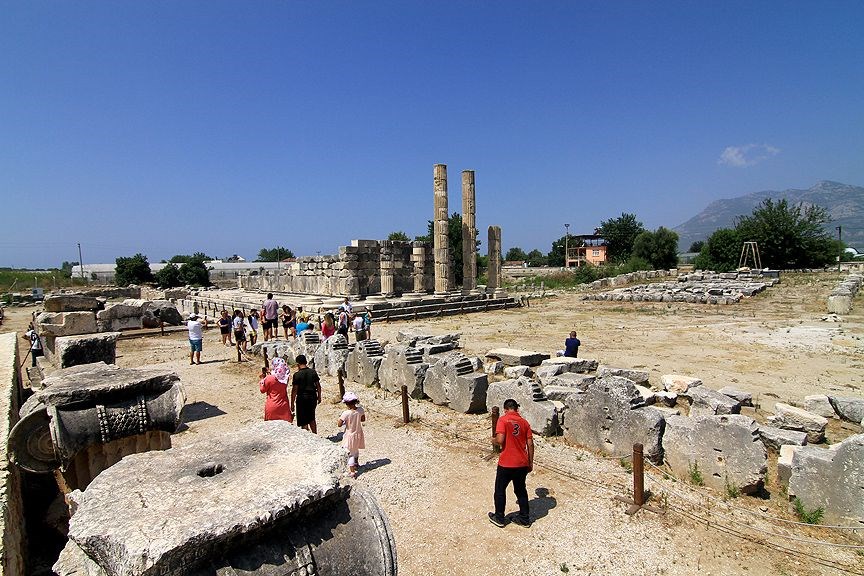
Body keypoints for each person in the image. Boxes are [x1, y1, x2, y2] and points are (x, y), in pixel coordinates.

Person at [489, 398, 534, 528]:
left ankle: (499, 517)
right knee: (520, 490)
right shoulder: (525, 423)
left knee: (500, 489)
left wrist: (493, 440)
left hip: (506, 463)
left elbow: (500, 439)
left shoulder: (503, 420)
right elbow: (530, 444)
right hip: (522, 463)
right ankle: (524, 519)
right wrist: (530, 463)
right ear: (517, 409)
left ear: (505, 409)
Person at [338, 391, 366, 478]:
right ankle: (357, 463)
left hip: (349, 435)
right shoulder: (361, 410)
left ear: (346, 403)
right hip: (358, 433)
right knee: (356, 449)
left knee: (350, 453)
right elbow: (363, 420)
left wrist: (344, 422)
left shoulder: (345, 413)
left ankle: (352, 472)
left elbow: (339, 424)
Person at [291, 354, 321, 433]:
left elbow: (294, 390)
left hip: (302, 399)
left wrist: (292, 403)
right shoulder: (313, 372)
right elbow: (318, 386)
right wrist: (319, 396)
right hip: (312, 397)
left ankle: (305, 436)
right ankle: (315, 434)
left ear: (298, 364)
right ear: (306, 362)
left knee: (303, 419)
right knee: (311, 417)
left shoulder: (296, 375)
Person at [259, 357, 293, 422]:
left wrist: (262, 379)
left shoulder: (269, 378)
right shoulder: (285, 377)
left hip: (272, 405)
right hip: (284, 406)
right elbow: (278, 379)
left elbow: (262, 390)